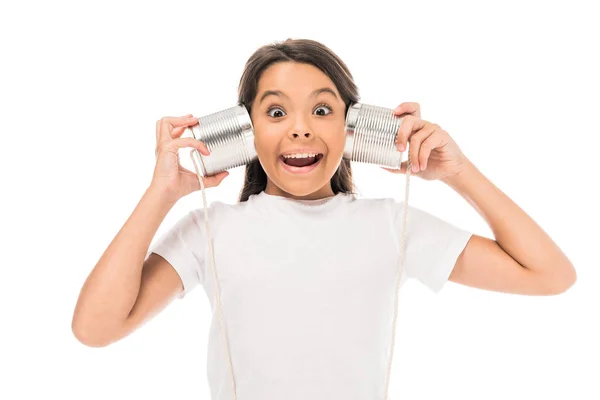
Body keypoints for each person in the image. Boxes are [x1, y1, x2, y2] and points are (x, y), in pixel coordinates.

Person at [71, 38, 577, 400]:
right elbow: (95, 328)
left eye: (321, 111)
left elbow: (550, 275)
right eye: (275, 113)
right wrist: (163, 192)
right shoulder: (212, 230)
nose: (299, 131)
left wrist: (458, 173)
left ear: (353, 128)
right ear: (244, 133)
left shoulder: (390, 225)